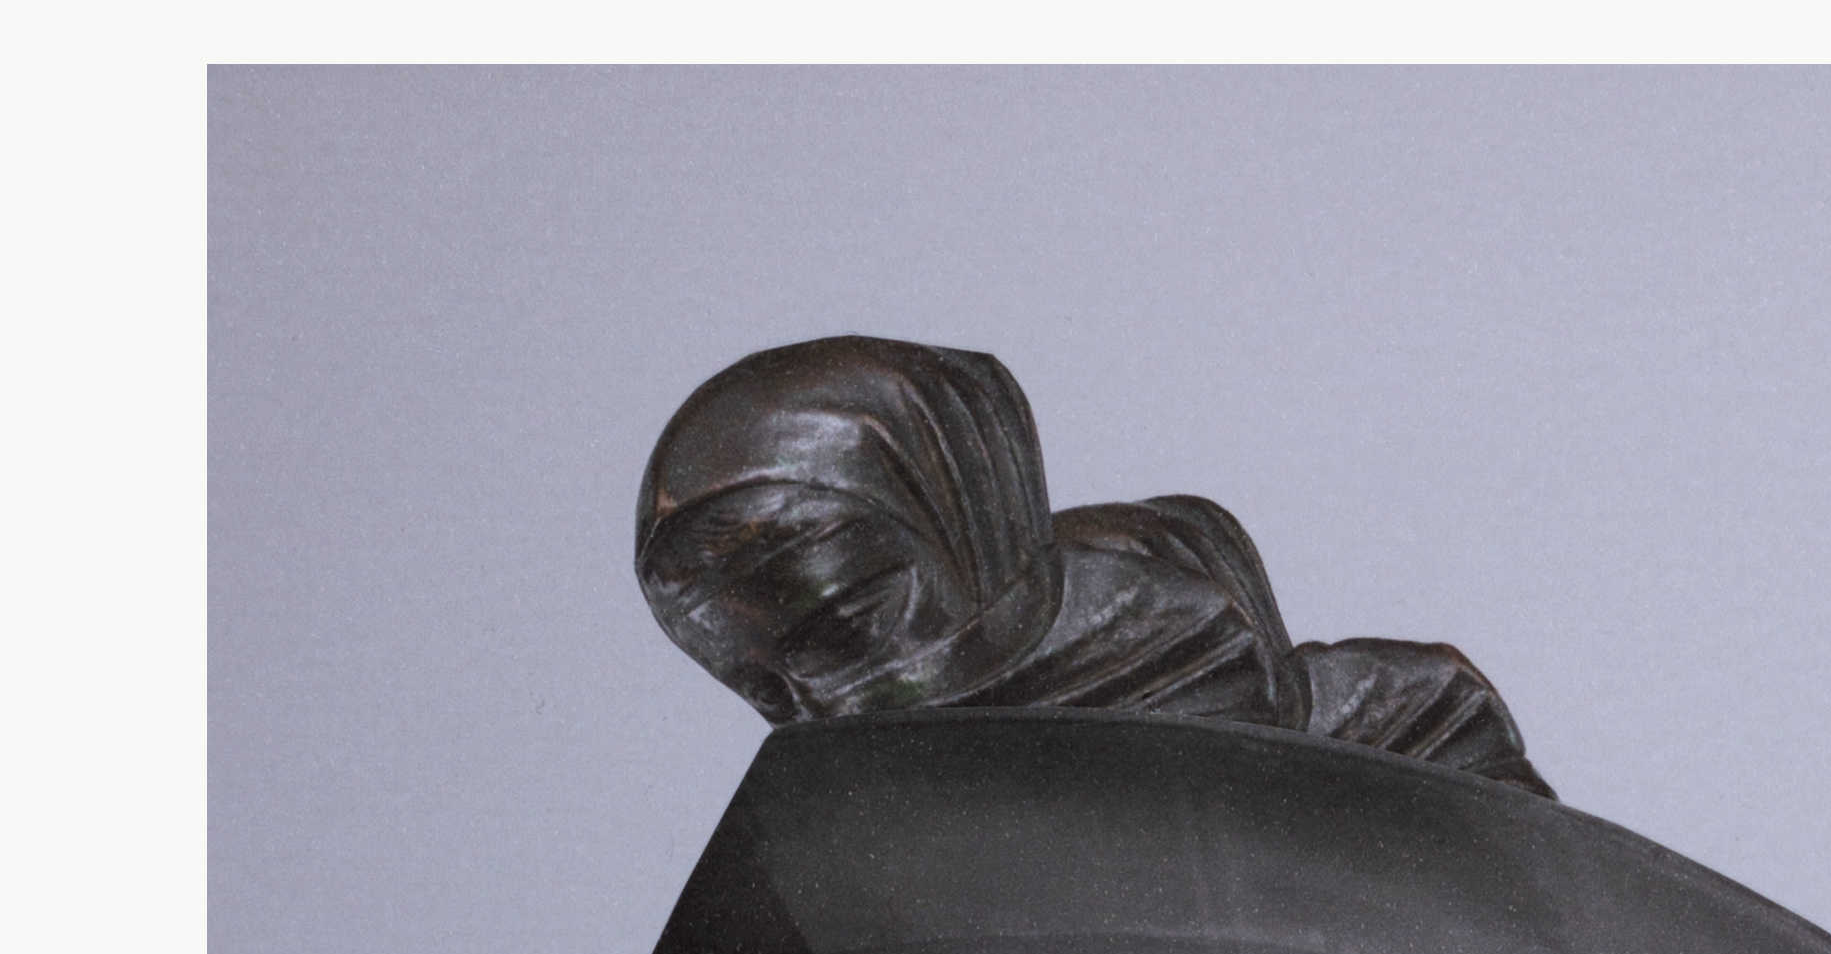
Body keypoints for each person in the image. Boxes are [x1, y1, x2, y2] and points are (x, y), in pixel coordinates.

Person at [634, 334, 1553, 793]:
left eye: (845, 624)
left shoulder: (1386, 728)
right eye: (763, 691)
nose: (815, 705)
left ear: (963, 513)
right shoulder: (850, 843)